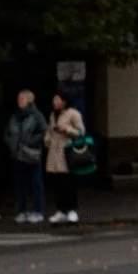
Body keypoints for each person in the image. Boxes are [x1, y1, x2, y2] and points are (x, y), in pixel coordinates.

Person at [5, 90, 47, 224]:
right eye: (18, 99)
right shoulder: (15, 117)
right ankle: (22, 211)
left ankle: (37, 211)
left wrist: (31, 141)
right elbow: (7, 132)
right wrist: (10, 143)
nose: (19, 101)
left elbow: (43, 131)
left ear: (29, 100)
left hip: (31, 154)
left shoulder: (36, 115)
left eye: (22, 99)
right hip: (17, 155)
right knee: (20, 185)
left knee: (35, 184)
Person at [44, 93, 84, 225]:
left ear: (64, 101)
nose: (54, 102)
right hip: (54, 154)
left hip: (67, 153)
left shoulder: (73, 114)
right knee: (57, 184)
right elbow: (49, 131)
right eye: (53, 99)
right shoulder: (52, 115)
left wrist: (67, 129)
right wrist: (47, 140)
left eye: (57, 99)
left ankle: (72, 210)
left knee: (68, 183)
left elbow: (81, 132)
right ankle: (61, 210)